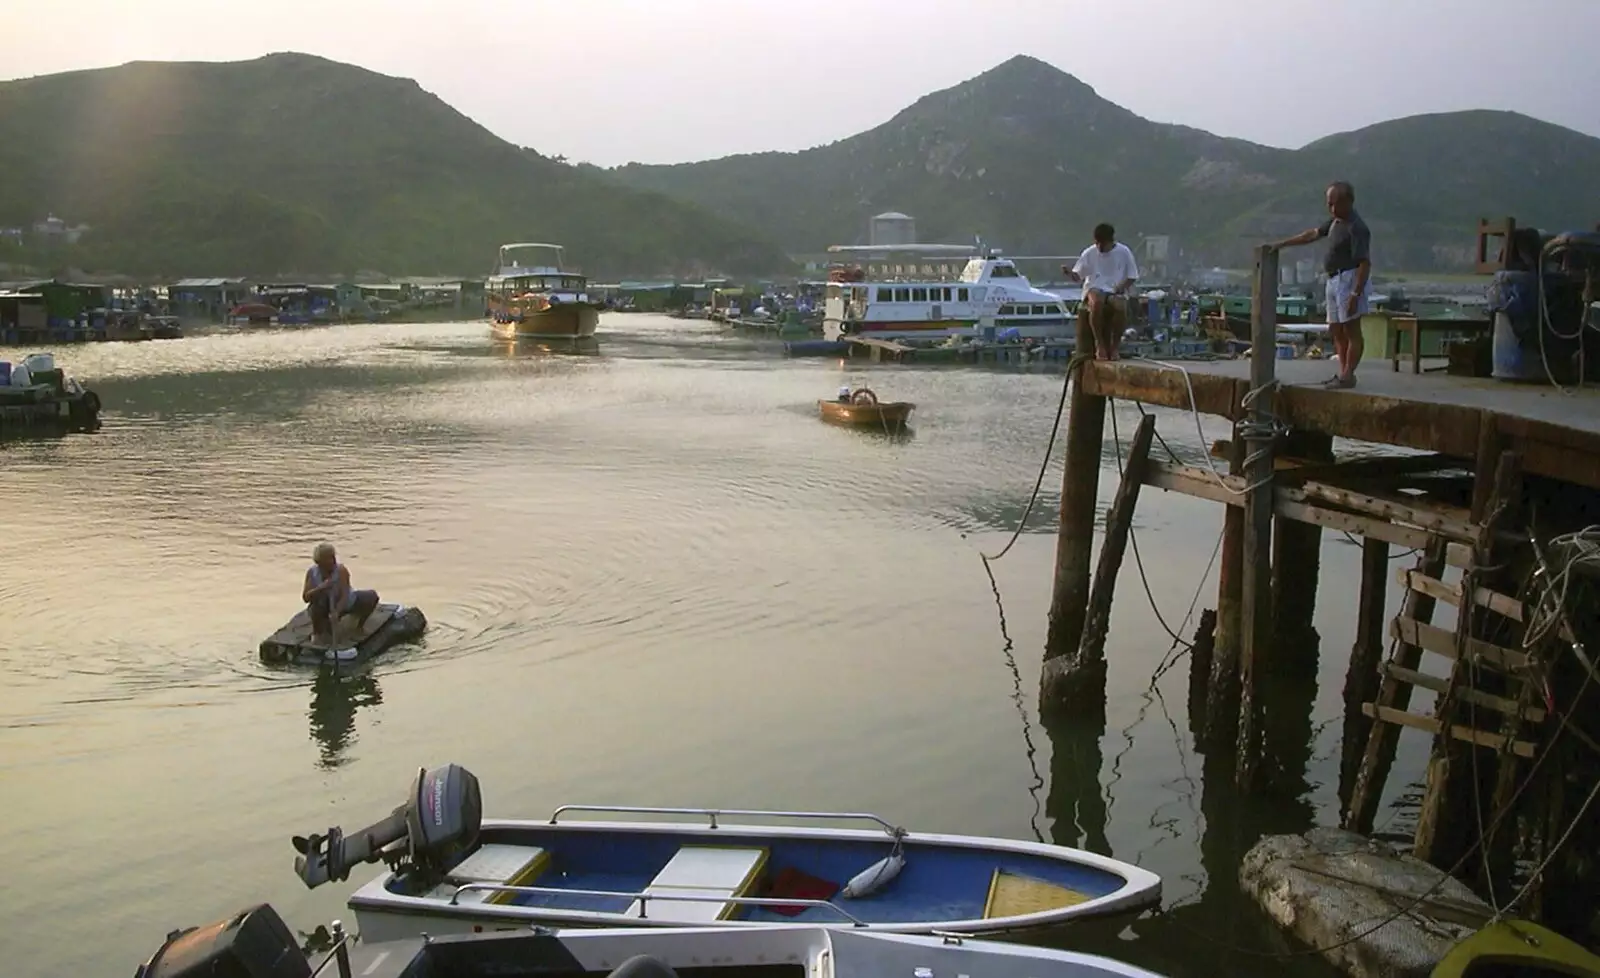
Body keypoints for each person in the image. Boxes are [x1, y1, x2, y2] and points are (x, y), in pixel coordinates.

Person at [1270, 181, 1372, 388]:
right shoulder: (1335, 222)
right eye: (1329, 204)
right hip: (1333, 279)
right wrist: (1283, 244)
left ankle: (1347, 374)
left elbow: (1364, 263)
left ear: (1349, 202)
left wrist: (1355, 294)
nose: (1332, 209)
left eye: (1336, 204)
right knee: (1336, 328)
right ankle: (1343, 373)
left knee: (1352, 329)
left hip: (1348, 278)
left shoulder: (1357, 227)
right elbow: (1312, 234)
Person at [1064, 223, 1140, 360]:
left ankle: (1114, 346)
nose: (1099, 247)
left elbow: (1132, 276)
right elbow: (1078, 276)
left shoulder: (1123, 252)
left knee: (1120, 306)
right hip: (1095, 287)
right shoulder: (1089, 252)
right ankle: (1099, 344)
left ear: (1110, 241)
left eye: (1102, 244)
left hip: (1115, 288)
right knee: (1096, 302)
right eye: (1097, 243)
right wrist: (1069, 273)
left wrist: (1121, 287)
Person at [302, 543, 380, 645]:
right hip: (324, 605)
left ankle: (359, 627)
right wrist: (320, 588)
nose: (333, 560)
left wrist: (337, 611)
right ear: (320, 561)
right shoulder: (312, 572)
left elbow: (345, 594)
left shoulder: (341, 570)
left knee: (371, 596)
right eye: (329, 558)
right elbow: (306, 598)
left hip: (346, 602)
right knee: (314, 607)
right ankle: (318, 633)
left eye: (333, 557)